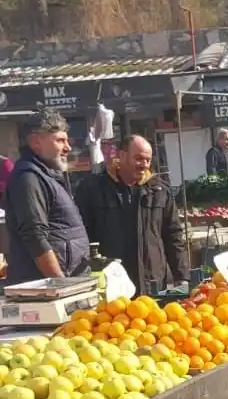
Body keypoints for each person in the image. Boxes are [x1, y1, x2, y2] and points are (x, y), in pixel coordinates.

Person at [75, 135, 189, 295]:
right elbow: (81, 237)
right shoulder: (93, 189)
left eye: (147, 160)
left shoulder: (159, 191)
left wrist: (182, 277)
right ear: (121, 155)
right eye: (138, 158)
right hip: (111, 284)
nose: (144, 165)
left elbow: (173, 235)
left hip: (152, 283)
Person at [5, 110, 90, 285]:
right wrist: (60, 284)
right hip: (45, 291)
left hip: (66, 283)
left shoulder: (49, 175)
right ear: (36, 142)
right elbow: (35, 235)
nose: (68, 147)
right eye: (60, 140)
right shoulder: (28, 178)